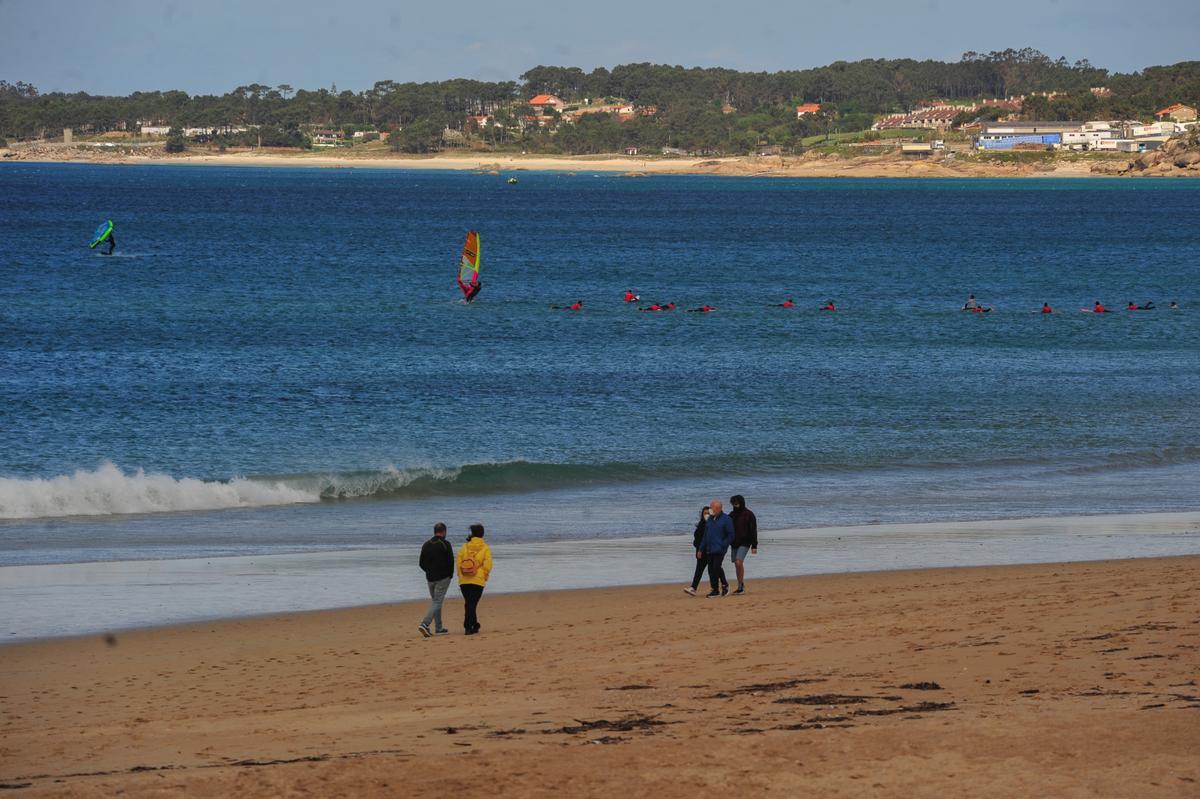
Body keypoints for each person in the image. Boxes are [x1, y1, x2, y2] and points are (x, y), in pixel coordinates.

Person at [418, 522, 454, 637]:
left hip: (430, 578)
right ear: (444, 531)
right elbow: (451, 561)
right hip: (443, 577)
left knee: (436, 602)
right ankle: (425, 623)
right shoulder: (445, 543)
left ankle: (438, 628)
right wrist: (450, 575)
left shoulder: (426, 544)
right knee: (437, 602)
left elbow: (421, 563)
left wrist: (428, 571)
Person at [456, 523, 492, 635]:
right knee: (471, 604)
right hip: (478, 580)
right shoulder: (485, 547)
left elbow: (458, 562)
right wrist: (485, 575)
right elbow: (488, 565)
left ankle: (475, 625)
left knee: (469, 603)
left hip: (464, 580)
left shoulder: (464, 547)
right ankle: (467, 626)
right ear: (482, 534)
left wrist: (460, 575)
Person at [700, 500, 734, 597]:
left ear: (718, 508)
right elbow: (706, 535)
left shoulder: (726, 519)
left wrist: (723, 544)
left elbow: (731, 535)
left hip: (720, 548)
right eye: (710, 507)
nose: (710, 509)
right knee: (711, 569)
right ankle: (715, 590)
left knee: (716, 567)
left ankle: (725, 585)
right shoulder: (710, 519)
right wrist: (701, 549)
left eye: (712, 507)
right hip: (709, 548)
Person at [728, 495, 758, 595]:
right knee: (737, 565)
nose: (735, 505)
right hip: (734, 542)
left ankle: (741, 587)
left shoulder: (749, 514)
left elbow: (753, 530)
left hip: (745, 542)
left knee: (738, 562)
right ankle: (740, 586)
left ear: (741, 503)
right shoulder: (731, 515)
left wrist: (754, 545)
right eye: (733, 504)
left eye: (737, 503)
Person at [683, 506, 712, 596]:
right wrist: (697, 548)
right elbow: (697, 539)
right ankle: (693, 588)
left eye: (708, 513)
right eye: (705, 513)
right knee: (699, 570)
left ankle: (721, 586)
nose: (706, 515)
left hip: (711, 551)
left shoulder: (713, 524)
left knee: (715, 570)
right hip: (700, 551)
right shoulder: (700, 525)